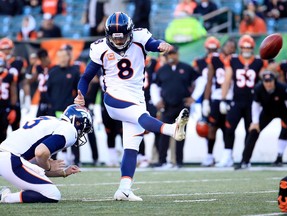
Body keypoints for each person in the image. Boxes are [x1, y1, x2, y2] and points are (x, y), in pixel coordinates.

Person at [74, 12, 189, 201]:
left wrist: (160, 45)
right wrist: (81, 93)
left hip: (136, 95)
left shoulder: (140, 36)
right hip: (114, 97)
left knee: (131, 146)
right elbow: (86, 77)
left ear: (130, 32)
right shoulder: (99, 47)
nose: (119, 42)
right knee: (141, 116)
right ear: (108, 34)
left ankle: (124, 189)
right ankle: (171, 130)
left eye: (123, 37)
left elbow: (153, 43)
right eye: (114, 38)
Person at [0, 104, 93, 203]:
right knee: (52, 194)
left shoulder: (51, 121)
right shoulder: (69, 129)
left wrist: (63, 172)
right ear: (77, 122)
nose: (82, 133)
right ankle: (6, 197)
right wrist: (49, 166)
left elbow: (34, 166)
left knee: (44, 189)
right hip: (10, 159)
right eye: (84, 128)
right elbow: (40, 153)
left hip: (7, 156)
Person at [217, 35, 268, 167]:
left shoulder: (259, 62)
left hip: (253, 102)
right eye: (244, 47)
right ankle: (227, 156)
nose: (246, 49)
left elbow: (264, 79)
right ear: (240, 48)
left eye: (249, 47)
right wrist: (223, 98)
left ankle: (246, 158)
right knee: (229, 128)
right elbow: (227, 79)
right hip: (237, 100)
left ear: (252, 48)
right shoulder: (233, 60)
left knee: (250, 130)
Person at [151, 45, 199, 168]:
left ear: (177, 54)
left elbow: (200, 81)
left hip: (182, 105)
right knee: (164, 133)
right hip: (167, 106)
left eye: (174, 53)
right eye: (170, 54)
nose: (172, 56)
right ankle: (162, 161)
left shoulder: (186, 68)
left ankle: (179, 161)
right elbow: (155, 86)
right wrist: (157, 100)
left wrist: (194, 97)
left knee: (180, 133)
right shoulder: (162, 70)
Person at [235, 70, 287, 169]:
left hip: (284, 111)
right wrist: (255, 122)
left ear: (274, 81)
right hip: (267, 112)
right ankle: (245, 161)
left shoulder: (282, 88)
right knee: (254, 131)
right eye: (266, 81)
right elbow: (255, 105)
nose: (268, 83)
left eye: (270, 81)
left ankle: (279, 158)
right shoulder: (258, 89)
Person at [201, 37, 237, 167]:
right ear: (223, 47)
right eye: (229, 47)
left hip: (232, 98)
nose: (230, 50)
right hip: (216, 97)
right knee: (212, 127)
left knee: (229, 128)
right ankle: (210, 155)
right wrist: (206, 100)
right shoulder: (215, 59)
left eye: (233, 48)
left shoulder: (236, 60)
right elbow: (209, 81)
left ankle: (228, 156)